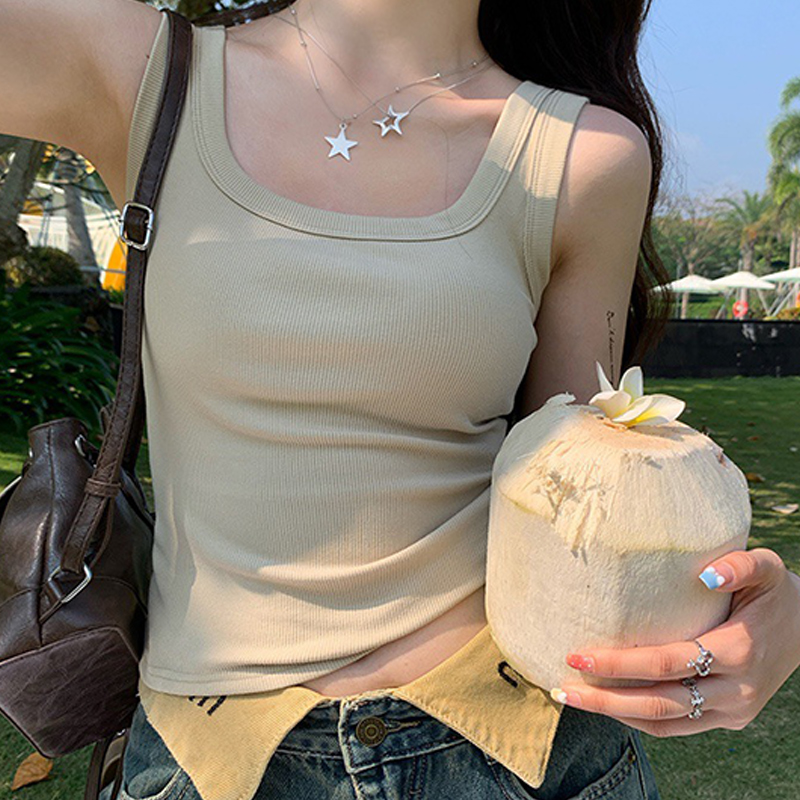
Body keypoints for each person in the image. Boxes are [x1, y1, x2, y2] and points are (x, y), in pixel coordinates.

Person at [3, 1, 800, 799]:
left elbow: (582, 493)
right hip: (209, 757)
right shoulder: (140, 68)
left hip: (517, 753)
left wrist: (754, 612)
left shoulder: (585, 155)